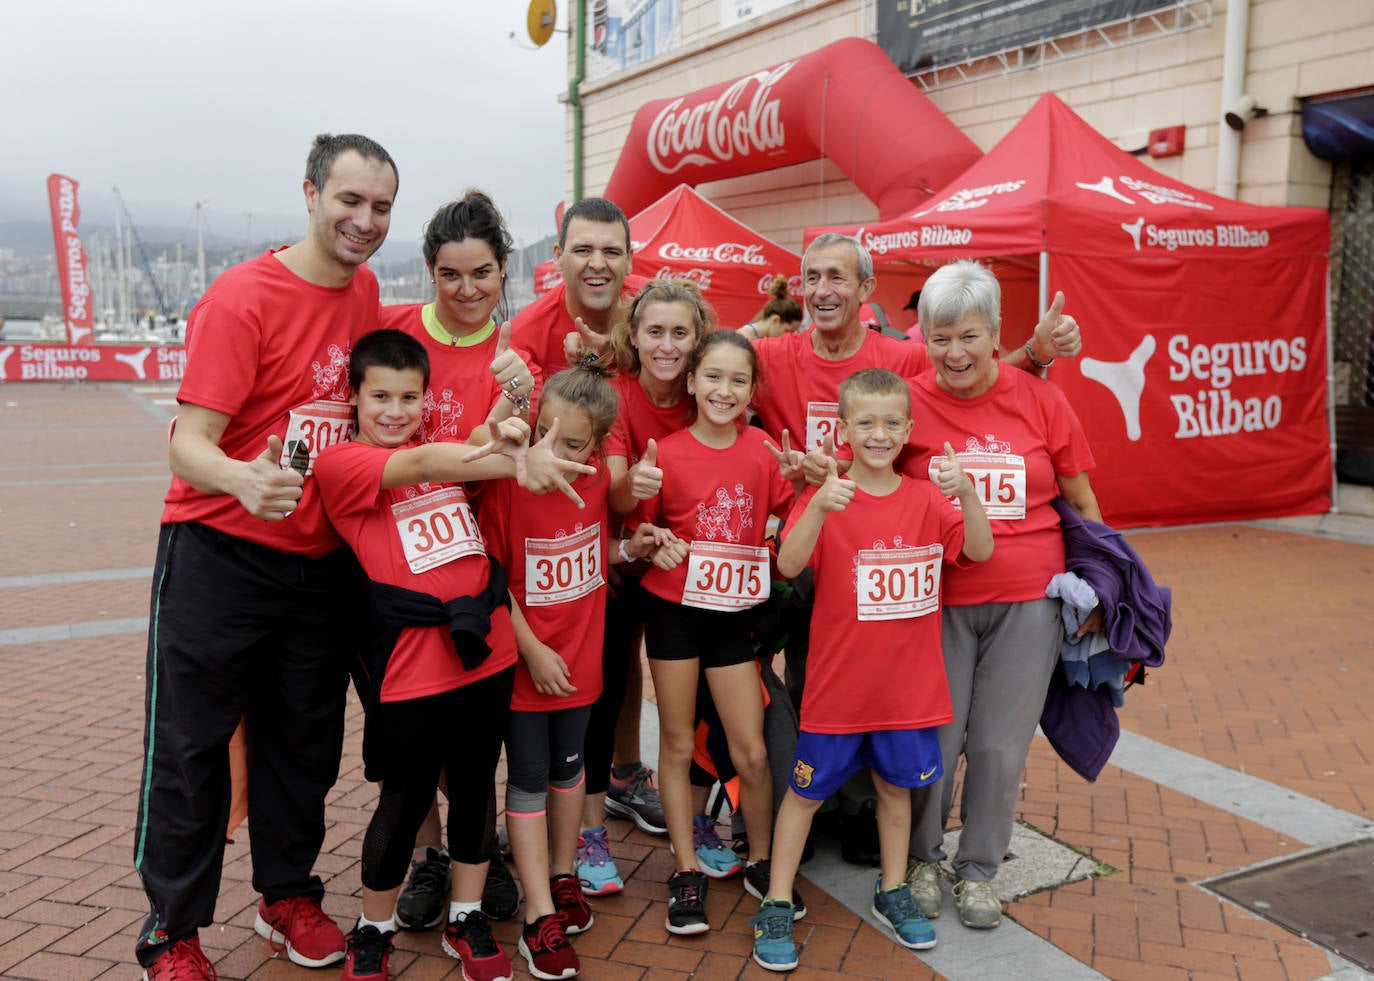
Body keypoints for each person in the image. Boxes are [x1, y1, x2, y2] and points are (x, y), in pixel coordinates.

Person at [133, 133, 398, 981]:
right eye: (350, 200)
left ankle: (286, 895)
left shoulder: (367, 298)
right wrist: (242, 481)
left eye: (381, 207)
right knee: (191, 745)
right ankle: (171, 931)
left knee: (304, 745)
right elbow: (188, 442)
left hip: (317, 565)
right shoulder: (242, 296)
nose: (364, 220)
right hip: (217, 552)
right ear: (312, 193)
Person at [750, 233, 1081, 862]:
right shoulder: (772, 355)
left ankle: (869, 820)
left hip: (903, 554)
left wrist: (1036, 351)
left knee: (894, 688)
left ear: (866, 290)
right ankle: (816, 801)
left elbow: (973, 371)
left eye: (839, 277)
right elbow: (709, 369)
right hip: (822, 532)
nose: (823, 290)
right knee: (815, 678)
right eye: (812, 277)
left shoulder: (902, 359)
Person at [313, 329, 593, 981]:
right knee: (405, 797)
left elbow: (471, 449)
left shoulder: (437, 450)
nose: (394, 409)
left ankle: (466, 916)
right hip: (414, 665)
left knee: (474, 789)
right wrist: (515, 463)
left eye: (409, 396)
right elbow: (424, 466)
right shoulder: (345, 464)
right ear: (353, 397)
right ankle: (374, 928)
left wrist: (515, 413)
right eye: (380, 394)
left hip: (487, 651)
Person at [749, 368, 993, 971]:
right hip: (837, 693)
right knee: (804, 794)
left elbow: (981, 551)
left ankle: (893, 890)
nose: (879, 434)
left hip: (907, 696)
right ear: (844, 429)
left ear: (908, 429)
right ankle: (777, 900)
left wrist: (966, 492)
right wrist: (820, 508)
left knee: (895, 793)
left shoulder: (926, 498)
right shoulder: (829, 495)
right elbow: (789, 564)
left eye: (891, 423)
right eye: (866, 422)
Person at [899, 260, 1102, 931]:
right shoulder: (909, 399)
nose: (954, 352)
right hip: (939, 597)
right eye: (940, 337)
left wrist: (1105, 579)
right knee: (937, 731)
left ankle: (979, 867)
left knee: (997, 743)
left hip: (1030, 600)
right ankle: (922, 857)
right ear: (923, 337)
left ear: (994, 334)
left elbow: (1079, 494)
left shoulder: (1041, 398)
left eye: (968, 335)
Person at [378, 192, 536, 931]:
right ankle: (429, 855)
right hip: (392, 565)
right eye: (450, 273)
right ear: (430, 271)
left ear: (504, 270)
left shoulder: (514, 358)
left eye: (481, 273)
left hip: (470, 564)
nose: (467, 288)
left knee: (471, 729)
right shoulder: (396, 329)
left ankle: (475, 851)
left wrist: (513, 416)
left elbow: (497, 461)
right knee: (410, 732)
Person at [480, 365, 664, 980]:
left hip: (581, 663)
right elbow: (490, 578)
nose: (555, 453)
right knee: (529, 778)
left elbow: (594, 549)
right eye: (545, 435)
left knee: (570, 773)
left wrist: (628, 549)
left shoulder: (591, 487)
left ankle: (561, 878)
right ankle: (537, 917)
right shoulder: (511, 483)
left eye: (574, 443)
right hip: (529, 663)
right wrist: (531, 649)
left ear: (602, 443)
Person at [629, 330, 803, 936]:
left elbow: (792, 512)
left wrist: (803, 487)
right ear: (693, 382)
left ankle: (760, 859)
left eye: (738, 380)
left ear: (753, 390)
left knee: (750, 750)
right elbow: (638, 536)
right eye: (713, 377)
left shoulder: (761, 448)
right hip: (673, 612)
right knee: (677, 744)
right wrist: (652, 539)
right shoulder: (666, 452)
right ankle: (685, 870)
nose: (724, 390)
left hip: (734, 615)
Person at [512, 198, 669, 847]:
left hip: (637, 517)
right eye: (583, 249)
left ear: (630, 259)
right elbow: (510, 432)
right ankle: (540, 795)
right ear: (559, 257)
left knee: (624, 650)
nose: (597, 262)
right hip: (558, 535)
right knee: (556, 664)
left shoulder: (649, 317)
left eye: (611, 250)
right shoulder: (530, 330)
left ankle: (623, 771)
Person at [739, 274, 803, 339]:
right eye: (787, 331)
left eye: (794, 332)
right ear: (775, 320)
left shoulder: (761, 336)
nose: (790, 337)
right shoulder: (745, 337)